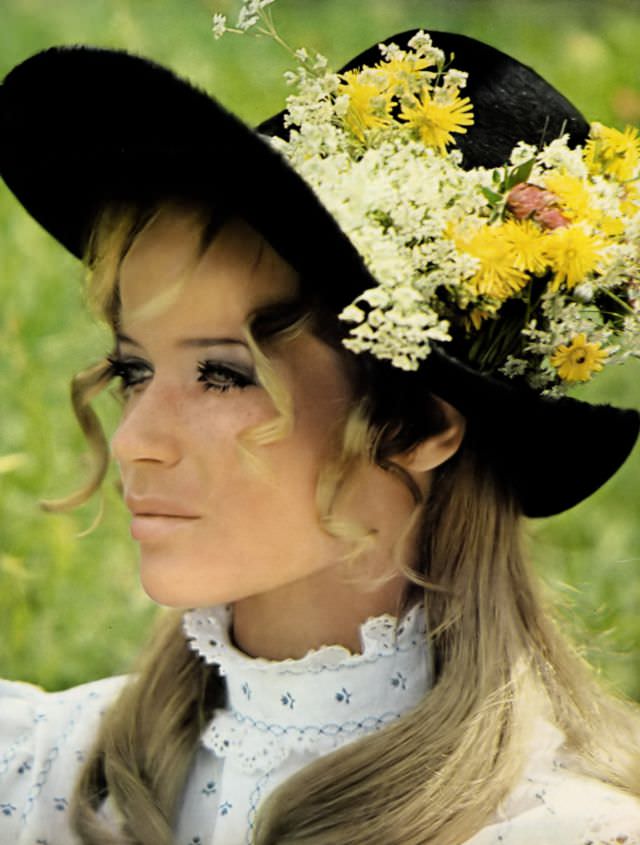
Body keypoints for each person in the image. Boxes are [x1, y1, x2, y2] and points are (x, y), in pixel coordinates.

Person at [1, 14, 640, 845]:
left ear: (420, 424)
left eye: (223, 374)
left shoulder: (556, 828)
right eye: (134, 370)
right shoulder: (44, 774)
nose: (134, 441)